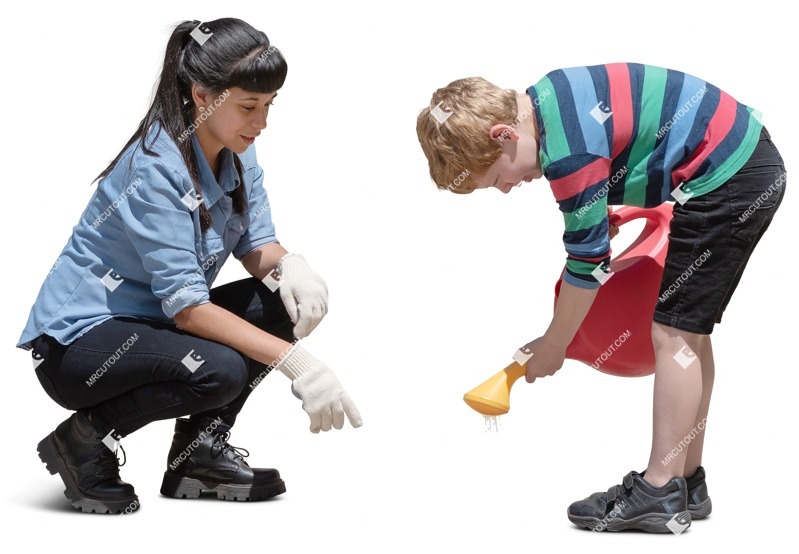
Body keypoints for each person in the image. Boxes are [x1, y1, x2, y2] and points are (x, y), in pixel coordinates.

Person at [416, 63, 785, 533]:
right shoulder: (547, 100)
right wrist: (610, 204)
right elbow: (640, 134)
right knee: (688, 332)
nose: (507, 189)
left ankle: (658, 491)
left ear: (504, 134)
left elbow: (586, 265)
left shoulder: (568, 155)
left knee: (673, 333)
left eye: (495, 178)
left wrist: (555, 345)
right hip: (738, 162)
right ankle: (686, 481)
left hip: (729, 178)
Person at [18, 18, 362, 515]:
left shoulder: (236, 154)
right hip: (79, 346)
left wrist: (292, 266)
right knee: (218, 370)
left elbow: (256, 242)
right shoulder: (154, 168)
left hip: (152, 324)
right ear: (202, 96)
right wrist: (297, 363)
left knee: (279, 304)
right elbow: (188, 311)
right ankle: (82, 440)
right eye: (249, 105)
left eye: (268, 105)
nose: (261, 120)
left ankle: (197, 456)